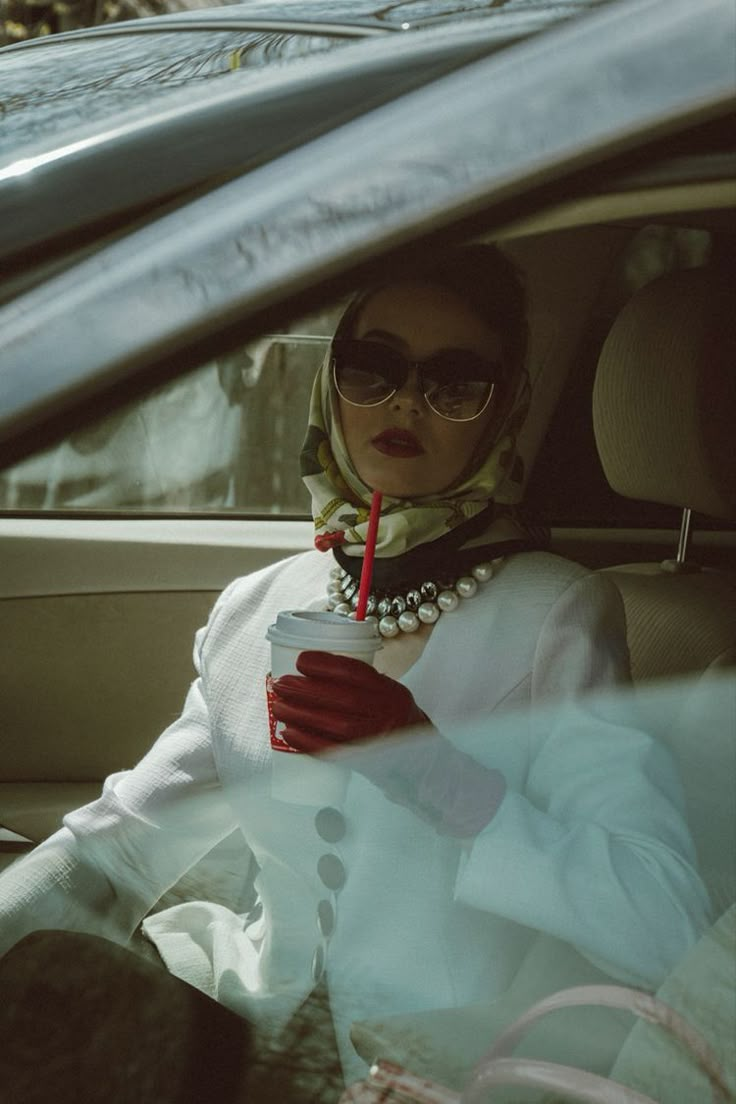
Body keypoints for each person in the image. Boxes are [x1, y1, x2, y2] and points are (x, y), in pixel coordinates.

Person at [0, 244, 710, 1100]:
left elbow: (664, 920)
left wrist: (440, 774)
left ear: (504, 408)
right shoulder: (260, 605)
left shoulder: (556, 617)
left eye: (454, 382)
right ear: (329, 382)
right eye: (372, 367)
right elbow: (121, 848)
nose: (405, 401)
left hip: (433, 1069)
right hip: (242, 1033)